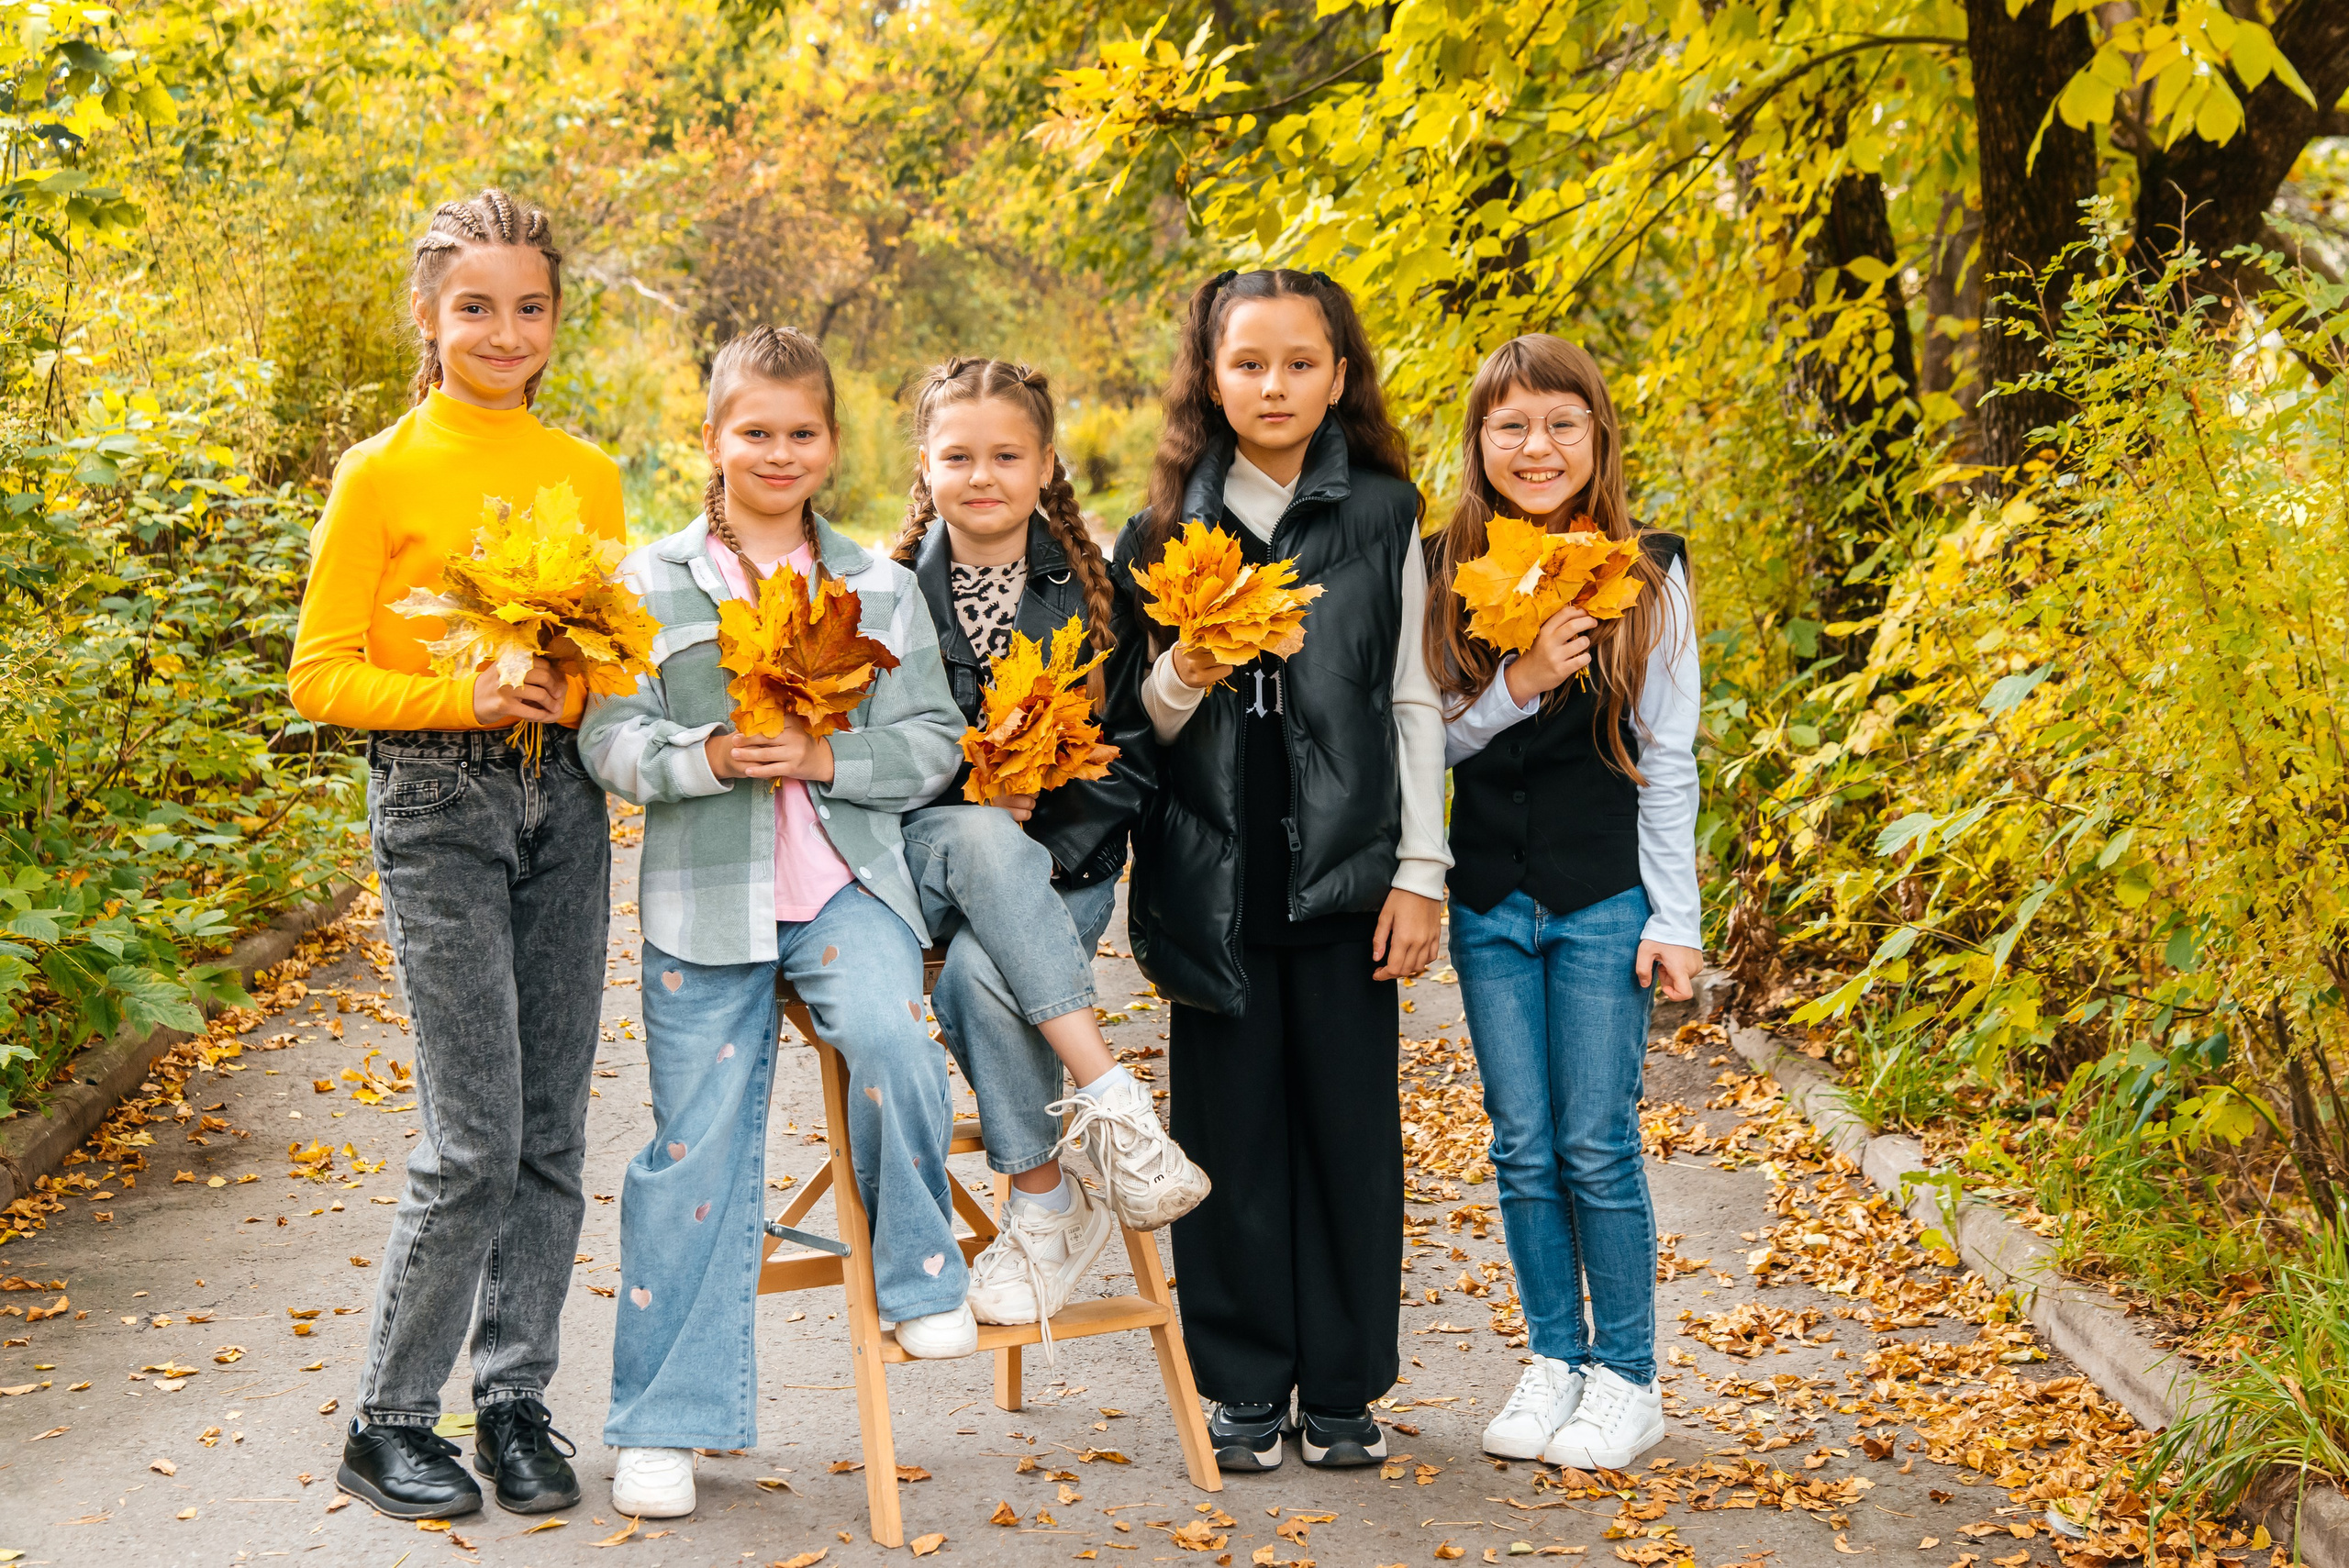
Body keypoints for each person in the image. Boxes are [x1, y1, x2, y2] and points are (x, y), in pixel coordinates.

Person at [578, 325, 969, 1519]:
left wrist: (826, 754)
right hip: (705, 902)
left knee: (896, 1043)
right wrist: (702, 755)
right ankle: (663, 1424)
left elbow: (934, 743)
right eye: (755, 431)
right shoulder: (649, 582)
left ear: (833, 445)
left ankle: (919, 1269)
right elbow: (610, 737)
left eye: (802, 432)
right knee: (690, 1152)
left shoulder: (878, 586)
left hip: (847, 888)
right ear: (712, 439)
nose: (778, 451)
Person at [287, 188, 620, 1520]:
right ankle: (388, 1418)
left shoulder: (588, 472)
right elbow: (319, 675)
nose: (504, 330)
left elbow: (607, 658)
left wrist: (566, 688)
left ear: (554, 318)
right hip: (436, 803)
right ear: (428, 315)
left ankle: (516, 1400)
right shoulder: (379, 471)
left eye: (529, 306)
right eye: (475, 306)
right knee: (473, 1134)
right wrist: (462, 698)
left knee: (550, 1129)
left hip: (565, 802)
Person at [1120, 268, 1447, 1472]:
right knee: (1232, 1138)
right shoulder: (1158, 532)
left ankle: (1345, 1386)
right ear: (1210, 379)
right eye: (1248, 363)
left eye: (1300, 363)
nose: (1274, 384)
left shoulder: (1386, 514)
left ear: (1338, 376)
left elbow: (1411, 700)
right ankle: (1246, 1383)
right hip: (1214, 882)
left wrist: (1422, 870)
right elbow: (1133, 729)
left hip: (1349, 879)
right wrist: (1183, 672)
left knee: (1349, 1138)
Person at [1425, 333, 1701, 1471]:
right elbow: (1425, 742)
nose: (1536, 446)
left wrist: (1675, 918)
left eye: (1560, 424)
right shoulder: (1442, 566)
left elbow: (1668, 755)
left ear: (1597, 438)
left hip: (1602, 900)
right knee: (1522, 1144)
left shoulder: (1650, 569)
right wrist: (1518, 683)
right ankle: (1554, 1357)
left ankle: (1626, 1376)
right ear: (1480, 442)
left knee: (1595, 1140)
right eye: (1511, 426)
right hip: (1490, 900)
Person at [887, 357, 1208, 1334]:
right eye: (958, 456)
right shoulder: (885, 591)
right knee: (980, 832)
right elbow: (863, 754)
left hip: (1064, 861)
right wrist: (973, 792)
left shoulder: (1095, 592)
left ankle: (1045, 1201)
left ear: (1044, 463)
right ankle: (1114, 1104)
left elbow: (1130, 756)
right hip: (922, 859)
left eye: (1006, 456)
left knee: (979, 975)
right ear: (925, 464)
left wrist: (1048, 848)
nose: (981, 476)